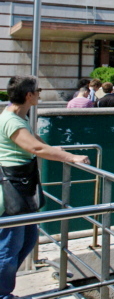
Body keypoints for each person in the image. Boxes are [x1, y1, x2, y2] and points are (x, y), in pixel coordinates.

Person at [0, 76, 91, 299]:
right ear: (28, 95)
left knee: (28, 239)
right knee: (10, 246)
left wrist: (54, 149)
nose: (40, 93)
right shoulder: (11, 119)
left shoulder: (21, 115)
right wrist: (70, 157)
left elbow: (37, 142)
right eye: (38, 90)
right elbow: (35, 148)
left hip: (23, 185)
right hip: (14, 187)